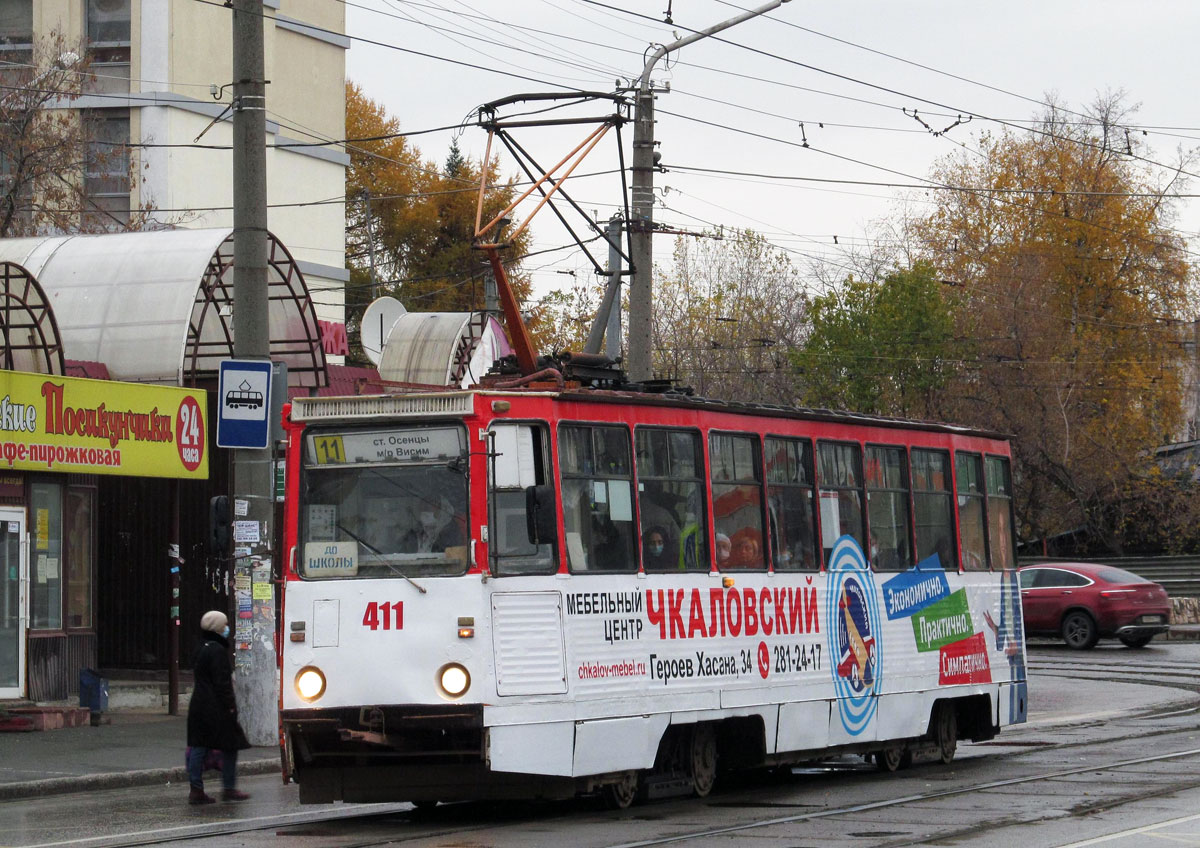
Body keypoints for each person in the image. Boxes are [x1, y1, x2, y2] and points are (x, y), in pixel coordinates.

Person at [186, 610, 250, 805]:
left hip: (198, 703)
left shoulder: (200, 647)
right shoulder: (217, 651)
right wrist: (230, 706)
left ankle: (196, 789)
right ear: (218, 628)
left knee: (199, 746)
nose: (227, 628)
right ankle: (229, 788)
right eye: (225, 625)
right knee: (230, 745)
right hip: (215, 707)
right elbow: (222, 682)